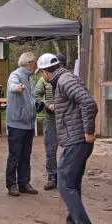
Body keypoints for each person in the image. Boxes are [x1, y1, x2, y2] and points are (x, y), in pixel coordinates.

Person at [37, 53, 99, 224]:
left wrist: (89, 131)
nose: (42, 76)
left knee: (64, 184)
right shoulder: (63, 79)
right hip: (74, 140)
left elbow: (88, 103)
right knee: (72, 183)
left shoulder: (64, 80)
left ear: (46, 72)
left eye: (42, 73)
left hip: (77, 140)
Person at [4, 52, 39, 196]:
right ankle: (11, 184)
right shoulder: (16, 75)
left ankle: (24, 183)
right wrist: (16, 87)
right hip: (17, 124)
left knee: (26, 155)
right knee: (15, 155)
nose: (36, 65)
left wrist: (38, 104)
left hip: (29, 123)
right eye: (34, 62)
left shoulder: (30, 78)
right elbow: (12, 85)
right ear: (28, 63)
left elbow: (32, 97)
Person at [35, 52, 66, 191]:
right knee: (51, 149)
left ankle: (66, 177)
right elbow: (35, 95)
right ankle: (52, 177)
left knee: (68, 149)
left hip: (66, 119)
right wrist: (47, 104)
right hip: (50, 119)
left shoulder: (67, 79)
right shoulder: (43, 81)